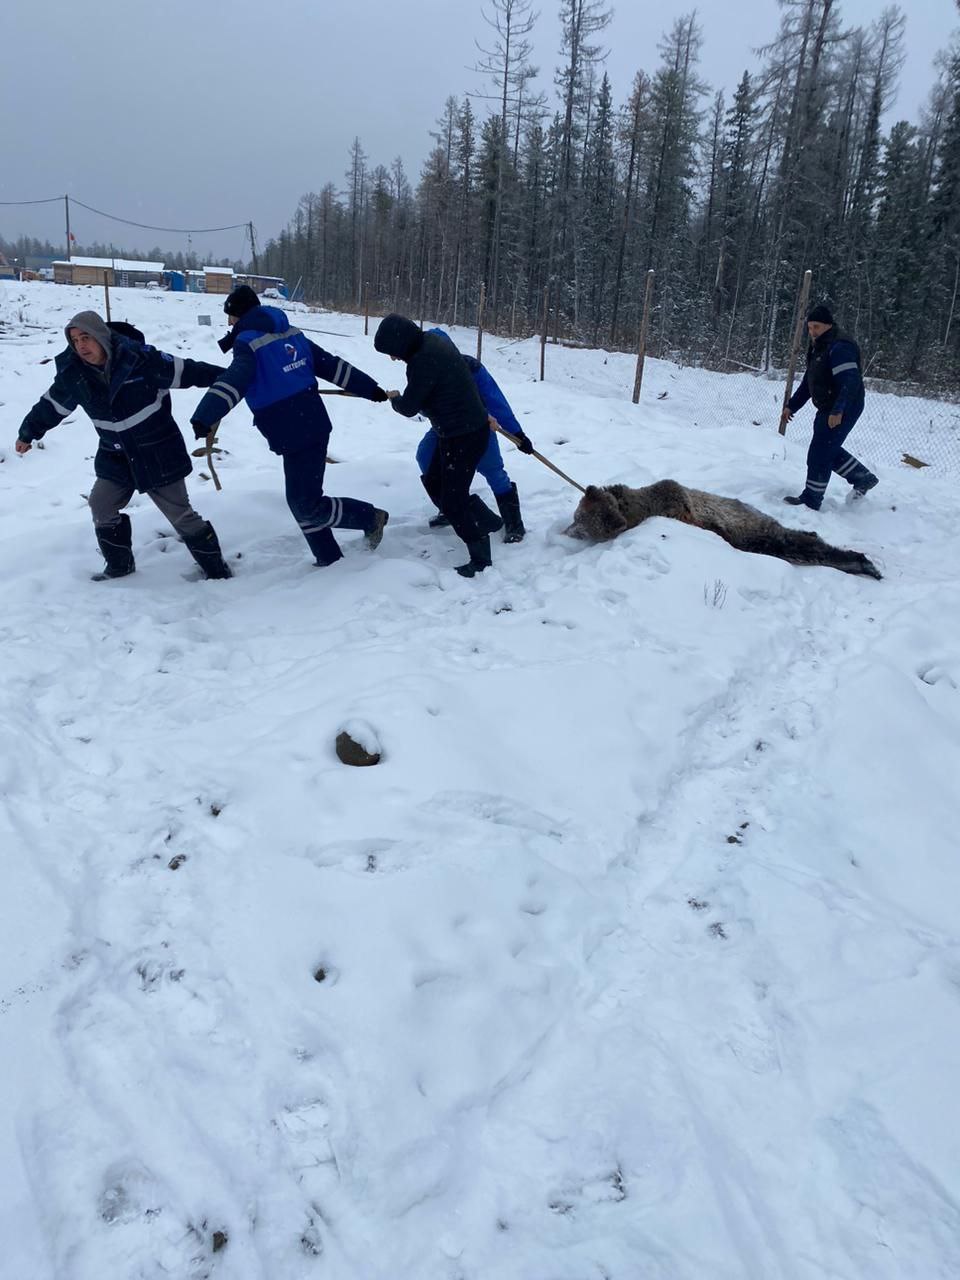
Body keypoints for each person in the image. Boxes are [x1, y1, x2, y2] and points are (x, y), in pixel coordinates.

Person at [15, 310, 232, 581]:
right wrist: (28, 433)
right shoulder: (74, 375)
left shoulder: (142, 361)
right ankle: (119, 567)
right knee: (101, 506)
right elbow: (51, 406)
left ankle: (217, 571)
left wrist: (232, 379)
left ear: (102, 338)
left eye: (86, 338)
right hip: (115, 455)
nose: (81, 346)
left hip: (158, 451)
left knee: (181, 515)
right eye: (75, 340)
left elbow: (189, 371)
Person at [190, 285, 389, 568]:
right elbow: (330, 365)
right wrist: (370, 388)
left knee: (305, 504)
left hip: (296, 430)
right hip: (309, 425)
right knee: (302, 500)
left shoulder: (247, 342)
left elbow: (236, 379)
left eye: (231, 316)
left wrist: (205, 415)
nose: (228, 323)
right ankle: (329, 558)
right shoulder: (291, 332)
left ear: (241, 315)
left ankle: (370, 518)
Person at [374, 313, 505, 578]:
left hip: (464, 435)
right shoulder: (431, 342)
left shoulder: (423, 360)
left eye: (392, 352)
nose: (393, 358)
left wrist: (395, 399)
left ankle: (480, 557)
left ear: (401, 343)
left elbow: (410, 407)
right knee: (434, 481)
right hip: (456, 431)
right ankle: (489, 520)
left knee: (453, 499)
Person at [415, 327, 533, 543]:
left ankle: (514, 523)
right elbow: (421, 405)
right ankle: (450, 508)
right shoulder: (423, 370)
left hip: (478, 426)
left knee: (492, 469)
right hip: (444, 430)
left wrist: (518, 434)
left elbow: (495, 399)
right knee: (425, 456)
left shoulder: (470, 367)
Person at [780, 304, 879, 510]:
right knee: (825, 448)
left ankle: (811, 500)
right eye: (809, 327)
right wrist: (792, 406)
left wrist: (838, 410)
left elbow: (849, 381)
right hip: (829, 404)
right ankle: (863, 478)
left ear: (828, 325)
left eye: (816, 327)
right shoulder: (820, 346)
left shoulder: (840, 346)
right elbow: (810, 381)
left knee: (820, 452)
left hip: (846, 404)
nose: (812, 332)